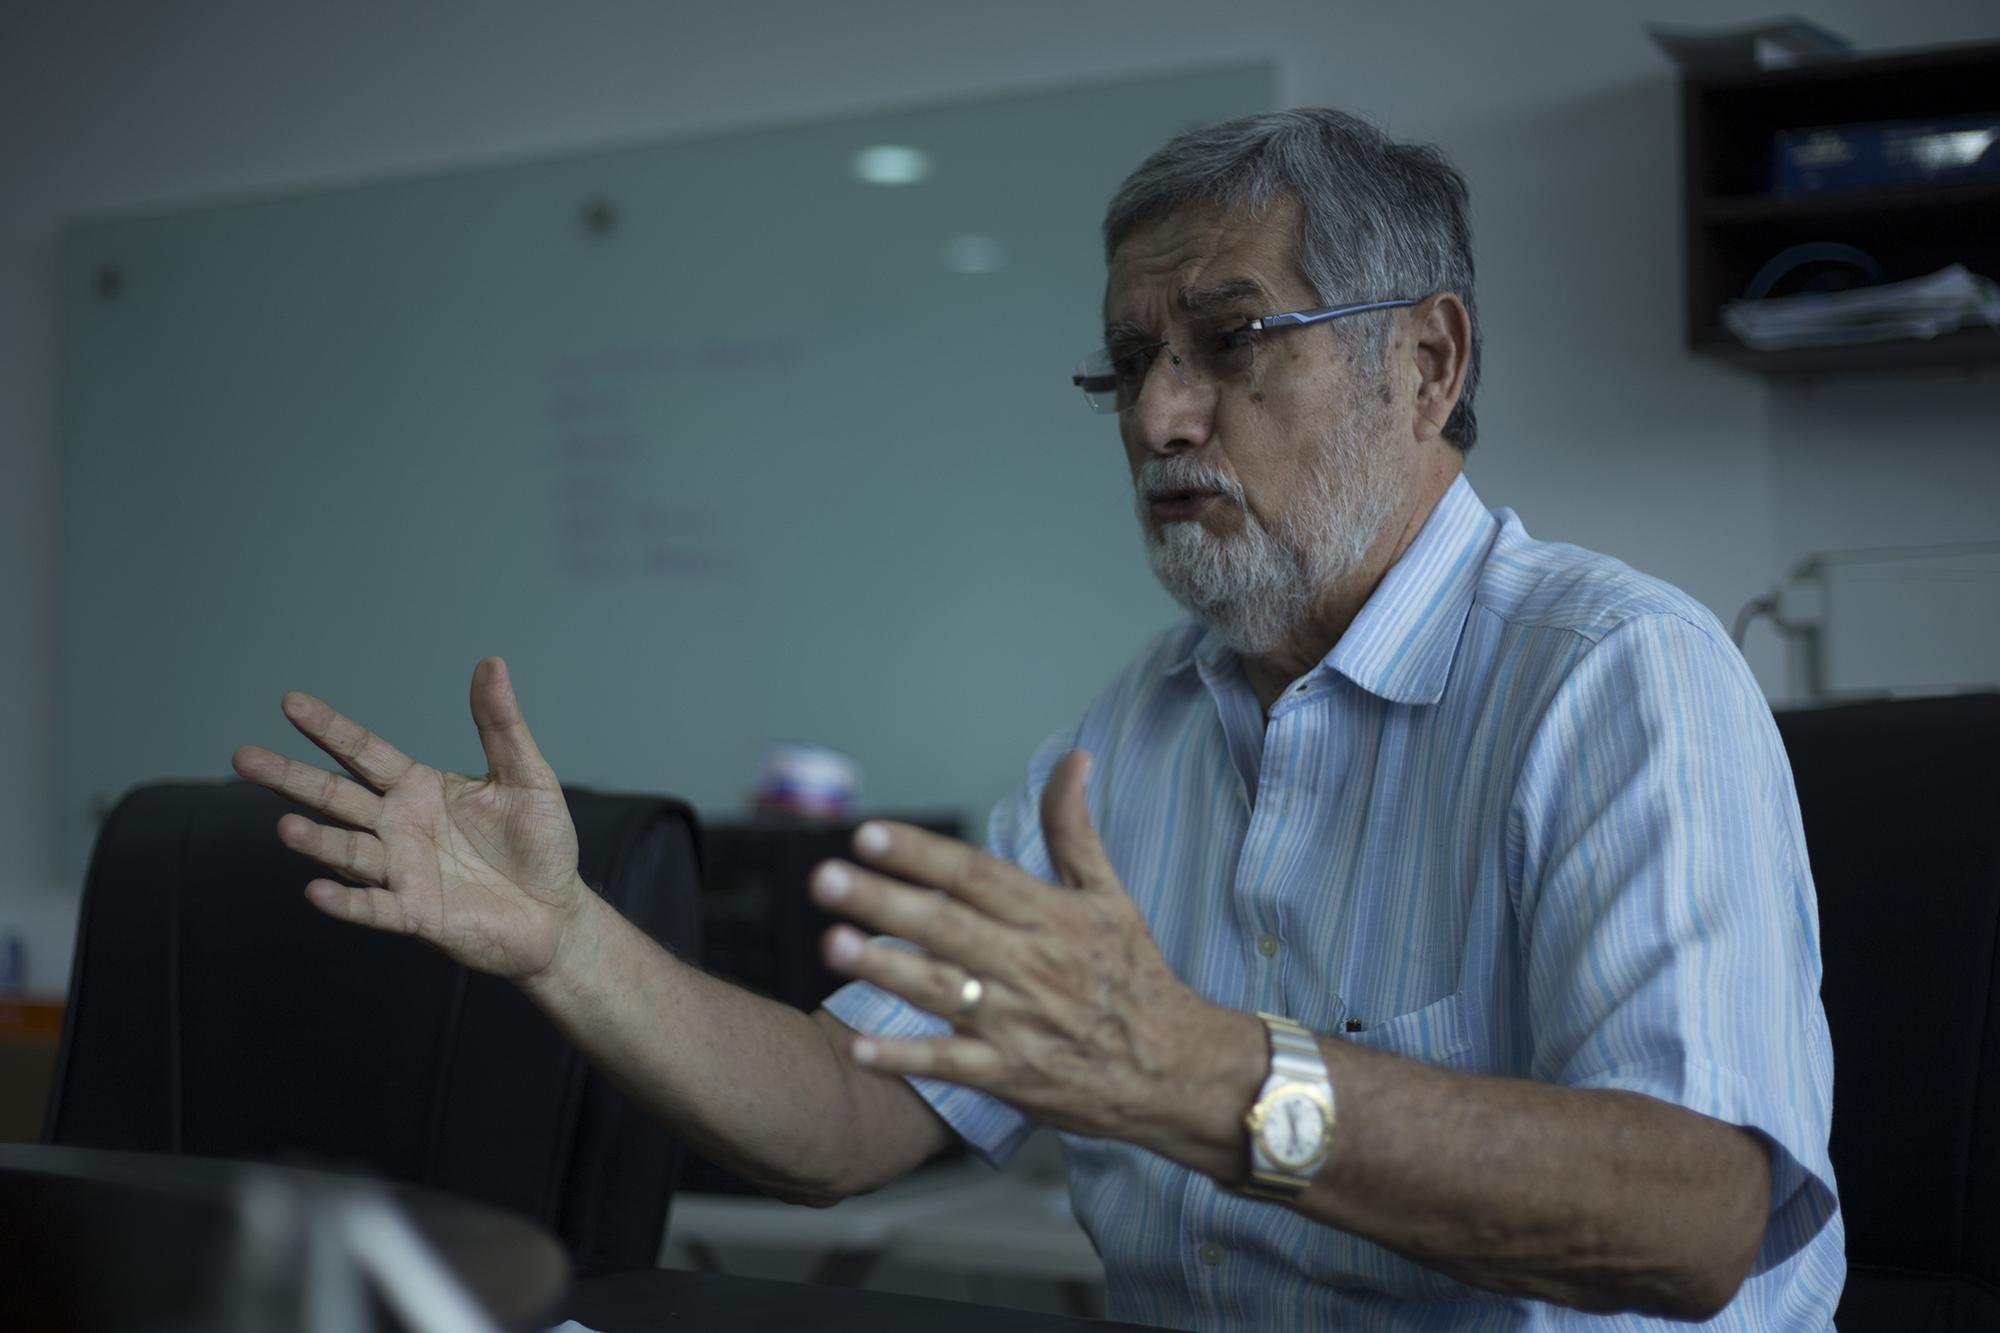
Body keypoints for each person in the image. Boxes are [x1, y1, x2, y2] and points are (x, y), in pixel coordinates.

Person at [232, 109, 1841, 1330]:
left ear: (1425, 360)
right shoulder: (1135, 731)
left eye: (1229, 343)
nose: (1156, 413)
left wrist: (1201, 1072)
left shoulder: (1620, 674)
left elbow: (1701, 1212)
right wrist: (566, 935)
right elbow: (858, 1113)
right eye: (1130, 362)